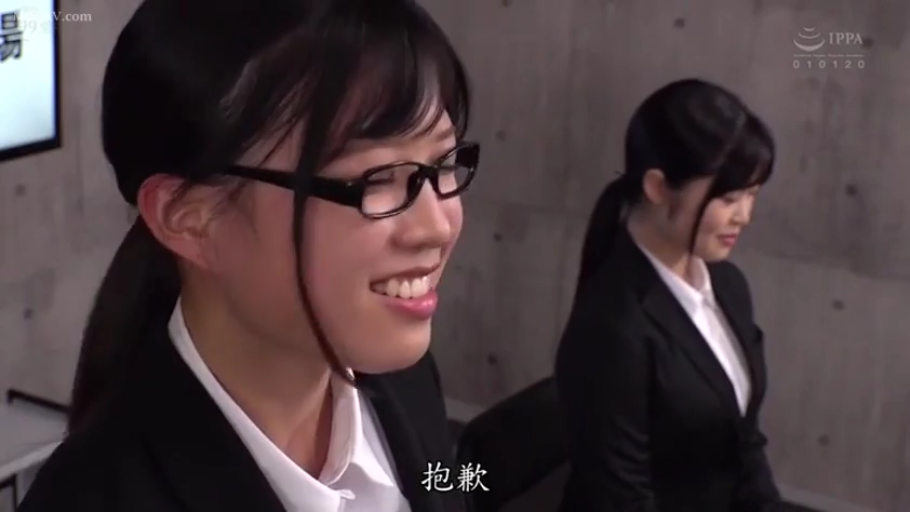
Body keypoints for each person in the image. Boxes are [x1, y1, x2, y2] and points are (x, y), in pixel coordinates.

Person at [19, 0, 479, 511]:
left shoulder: (400, 379)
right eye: (376, 180)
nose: (438, 226)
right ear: (190, 218)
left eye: (443, 164)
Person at [555, 78, 781, 512]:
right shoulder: (611, 327)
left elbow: (744, 443)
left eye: (752, 194)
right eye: (728, 198)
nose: (744, 216)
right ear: (658, 187)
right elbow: (623, 500)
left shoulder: (729, 285)